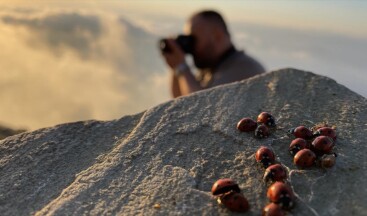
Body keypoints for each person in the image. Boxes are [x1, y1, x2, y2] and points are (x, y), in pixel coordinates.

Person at [161, 10, 266, 98]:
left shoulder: (245, 68)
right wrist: (176, 67)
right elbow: (179, 101)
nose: (191, 47)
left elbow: (200, 107)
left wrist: (182, 67)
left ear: (217, 35)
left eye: (194, 39)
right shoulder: (212, 68)